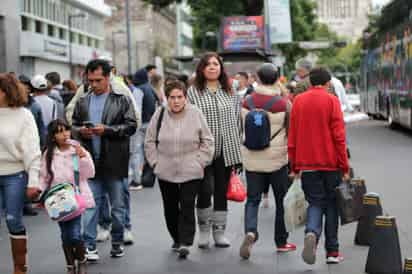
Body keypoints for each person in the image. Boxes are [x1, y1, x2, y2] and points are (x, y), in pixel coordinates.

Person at [72, 59, 137, 260]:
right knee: (90, 208)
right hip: (91, 164)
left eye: (98, 80)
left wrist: (106, 130)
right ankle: (89, 246)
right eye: (90, 80)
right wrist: (80, 131)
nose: (94, 84)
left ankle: (117, 242)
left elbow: (131, 126)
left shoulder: (122, 98)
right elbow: (72, 126)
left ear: (108, 77)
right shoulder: (82, 101)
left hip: (114, 162)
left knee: (118, 208)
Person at [145, 80, 214, 259]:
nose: (176, 101)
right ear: (166, 98)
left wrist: (201, 161)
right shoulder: (159, 114)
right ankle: (176, 237)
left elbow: (207, 140)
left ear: (185, 98)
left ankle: (186, 241)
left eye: (179, 97)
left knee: (187, 204)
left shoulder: (196, 113)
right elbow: (150, 141)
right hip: (165, 169)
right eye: (172, 97)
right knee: (170, 207)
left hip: (191, 169)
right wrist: (155, 163)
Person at [288, 67, 350, 265]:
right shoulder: (332, 101)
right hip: (331, 164)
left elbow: (293, 136)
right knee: (332, 205)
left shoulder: (298, 101)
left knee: (315, 202)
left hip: (307, 164)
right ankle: (332, 252)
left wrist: (295, 165)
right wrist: (345, 166)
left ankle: (312, 232)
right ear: (328, 83)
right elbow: (339, 137)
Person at [239, 63, 296, 260]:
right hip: (277, 161)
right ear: (278, 79)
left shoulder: (246, 101)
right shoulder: (284, 103)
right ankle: (281, 242)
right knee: (281, 202)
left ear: (258, 78)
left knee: (253, 199)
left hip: (252, 159)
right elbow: (292, 132)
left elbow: (241, 128)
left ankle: (251, 232)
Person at [187, 52, 243, 248]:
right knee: (204, 190)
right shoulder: (193, 91)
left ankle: (219, 232)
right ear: (202, 68)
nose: (212, 67)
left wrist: (238, 150)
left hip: (227, 148)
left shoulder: (230, 90)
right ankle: (203, 231)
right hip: (202, 149)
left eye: (216, 64)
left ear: (221, 68)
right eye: (208, 64)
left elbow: (237, 120)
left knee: (221, 191)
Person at [38, 119, 95, 274]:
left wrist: (83, 157)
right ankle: (70, 265)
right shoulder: (48, 154)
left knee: (75, 234)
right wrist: (39, 192)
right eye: (59, 132)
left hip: (75, 198)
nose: (64, 134)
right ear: (52, 136)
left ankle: (82, 260)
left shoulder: (77, 150)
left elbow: (90, 173)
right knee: (65, 235)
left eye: (66, 130)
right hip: (57, 201)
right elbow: (44, 177)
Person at [0, 73, 42, 274]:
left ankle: (20, 267)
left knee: (12, 219)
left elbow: (32, 151)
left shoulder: (24, 115)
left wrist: (33, 181)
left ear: (7, 92)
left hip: (14, 175)